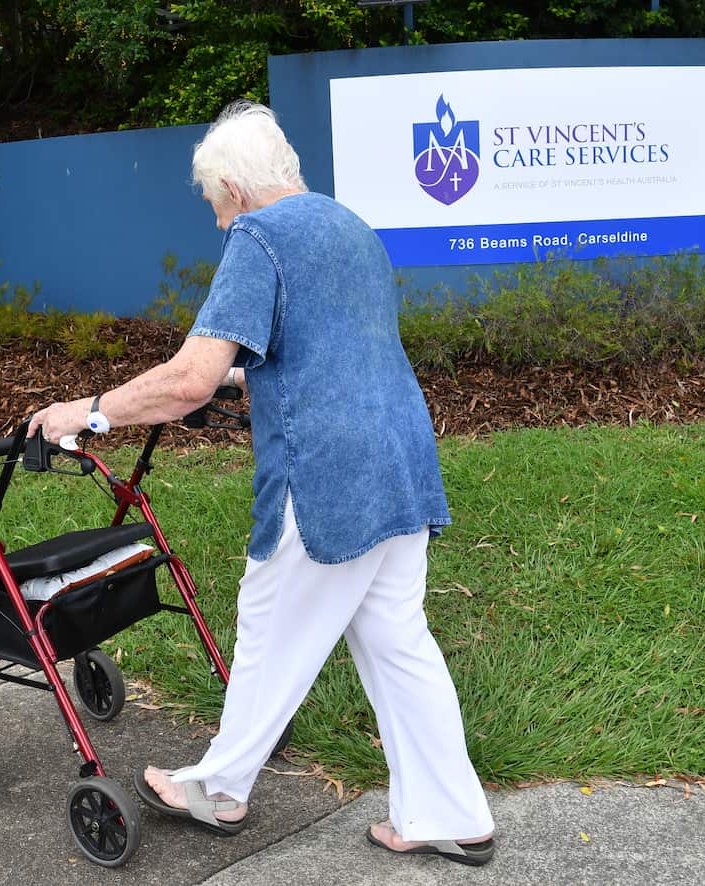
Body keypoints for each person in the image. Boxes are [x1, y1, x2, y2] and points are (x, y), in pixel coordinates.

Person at [28, 100, 495, 866]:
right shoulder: (348, 226)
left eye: (214, 203)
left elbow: (187, 380)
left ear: (236, 190)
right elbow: (328, 351)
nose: (216, 223)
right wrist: (250, 380)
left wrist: (87, 412)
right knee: (397, 642)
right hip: (400, 462)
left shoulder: (259, 235)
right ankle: (450, 813)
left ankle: (218, 788)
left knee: (270, 624)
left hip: (327, 477)